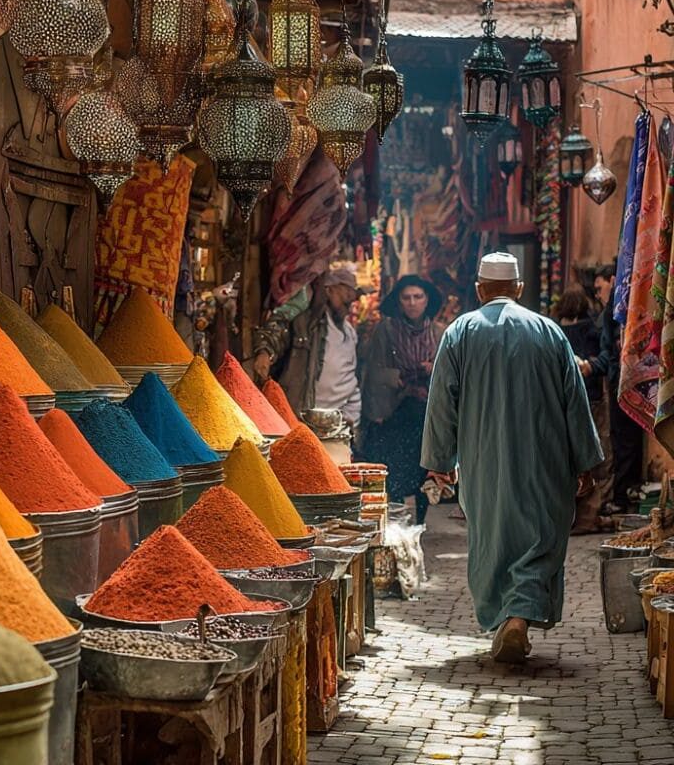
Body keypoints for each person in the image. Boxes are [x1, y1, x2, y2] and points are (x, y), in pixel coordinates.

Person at [422, 253, 603, 664]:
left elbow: (441, 404)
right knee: (540, 538)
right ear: (519, 289)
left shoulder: (459, 333)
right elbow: (575, 401)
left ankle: (511, 616)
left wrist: (439, 460)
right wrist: (585, 460)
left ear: (479, 289)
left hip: (483, 462)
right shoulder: (549, 331)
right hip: (546, 459)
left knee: (493, 538)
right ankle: (519, 615)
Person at [359, 275, 445, 524]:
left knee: (423, 470)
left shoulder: (439, 332)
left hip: (427, 413)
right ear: (399, 301)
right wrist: (396, 377)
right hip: (395, 411)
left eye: (418, 297)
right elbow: (373, 370)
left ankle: (420, 522)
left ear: (427, 300)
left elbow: (451, 372)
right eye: (406, 298)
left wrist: (433, 369)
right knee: (395, 470)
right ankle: (396, 522)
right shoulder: (386, 330)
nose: (412, 303)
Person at [253, 267, 371, 423]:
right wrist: (265, 351)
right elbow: (278, 329)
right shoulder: (308, 324)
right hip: (301, 416)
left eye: (353, 296)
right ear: (329, 290)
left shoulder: (349, 333)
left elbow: (350, 377)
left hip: (335, 422)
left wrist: (352, 415)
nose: (351, 300)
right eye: (347, 293)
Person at [552, 286, 613, 534]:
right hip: (591, 398)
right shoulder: (591, 328)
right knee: (595, 457)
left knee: (567, 459)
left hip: (562, 402)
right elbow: (604, 358)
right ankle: (589, 516)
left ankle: (568, 517)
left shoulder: (553, 330)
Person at [595, 263, 643, 515]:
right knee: (623, 438)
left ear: (612, 280)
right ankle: (625, 493)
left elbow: (610, 347)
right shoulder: (616, 304)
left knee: (624, 438)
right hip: (623, 376)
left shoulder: (619, 302)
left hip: (625, 377)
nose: (597, 294)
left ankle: (624, 495)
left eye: (599, 287)